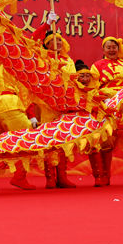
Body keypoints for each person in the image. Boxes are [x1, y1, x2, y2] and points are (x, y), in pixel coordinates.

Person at [0, 65, 38, 191]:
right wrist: (32, 117)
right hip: (9, 106)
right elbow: (24, 92)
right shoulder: (16, 66)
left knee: (0, 146)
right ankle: (19, 177)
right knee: (27, 140)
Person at [34, 12, 77, 189]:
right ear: (46, 44)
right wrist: (46, 24)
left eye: (59, 40)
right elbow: (33, 39)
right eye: (53, 41)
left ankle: (63, 177)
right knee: (49, 139)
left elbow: (74, 81)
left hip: (65, 102)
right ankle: (50, 177)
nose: (57, 43)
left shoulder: (68, 60)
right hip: (48, 102)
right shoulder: (42, 57)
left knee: (64, 138)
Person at [91, 37, 123, 186]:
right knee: (106, 139)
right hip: (107, 103)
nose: (112, 49)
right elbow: (93, 86)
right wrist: (101, 99)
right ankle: (104, 176)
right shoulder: (97, 65)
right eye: (109, 47)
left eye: (114, 47)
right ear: (103, 50)